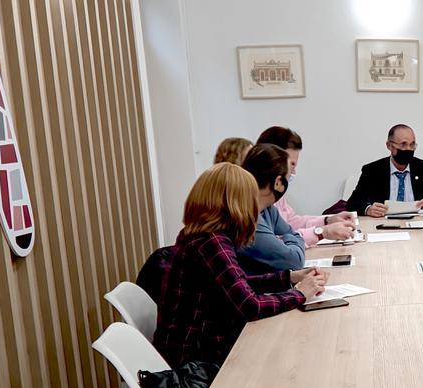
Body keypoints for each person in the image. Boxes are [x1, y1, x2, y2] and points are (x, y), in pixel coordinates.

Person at [153, 163, 327, 367]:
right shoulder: (212, 242)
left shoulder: (199, 234)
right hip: (197, 363)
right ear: (237, 203)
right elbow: (250, 306)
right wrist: (300, 294)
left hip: (191, 349)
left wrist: (289, 277)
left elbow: (236, 284)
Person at [256, 127, 357, 246]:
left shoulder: (276, 193)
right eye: (291, 165)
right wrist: (320, 233)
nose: (293, 172)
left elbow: (291, 223)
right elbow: (275, 244)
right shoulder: (258, 200)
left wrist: (327, 221)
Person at [346, 124, 423, 217]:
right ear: (389, 145)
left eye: (412, 144)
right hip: (382, 223)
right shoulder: (372, 170)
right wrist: (368, 209)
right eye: (403, 144)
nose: (408, 149)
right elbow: (352, 203)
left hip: (416, 222)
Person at [238, 144, 306, 272]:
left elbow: (294, 234)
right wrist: (285, 240)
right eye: (289, 174)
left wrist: (282, 240)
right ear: (278, 183)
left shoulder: (268, 209)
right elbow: (294, 261)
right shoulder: (248, 220)